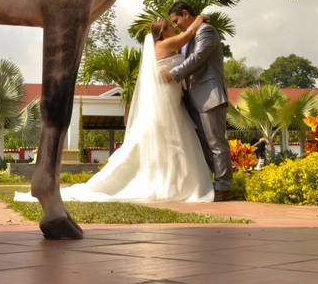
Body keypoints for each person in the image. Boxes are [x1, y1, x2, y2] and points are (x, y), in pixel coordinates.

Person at [15, 12, 213, 203]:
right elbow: (187, 36)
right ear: (163, 32)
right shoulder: (166, 43)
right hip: (167, 101)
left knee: (172, 140)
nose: (174, 28)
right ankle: (171, 181)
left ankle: (173, 179)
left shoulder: (161, 46)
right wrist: (199, 19)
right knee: (170, 138)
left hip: (172, 98)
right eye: (171, 27)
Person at [161, 1, 233, 201]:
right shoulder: (188, 37)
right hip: (193, 98)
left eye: (177, 21)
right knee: (203, 144)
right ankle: (212, 183)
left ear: (185, 14)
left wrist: (173, 74)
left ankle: (224, 187)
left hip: (210, 95)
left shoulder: (206, 31)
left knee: (216, 143)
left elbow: (198, 57)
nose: (176, 26)